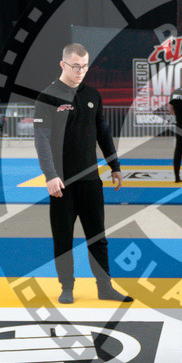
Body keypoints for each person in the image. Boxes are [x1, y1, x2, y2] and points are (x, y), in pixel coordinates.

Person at [33, 43, 132, 304]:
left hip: (90, 181)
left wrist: (115, 166)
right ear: (63, 64)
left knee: (98, 236)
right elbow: (41, 139)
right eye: (75, 66)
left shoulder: (93, 94)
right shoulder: (48, 96)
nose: (80, 71)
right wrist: (50, 175)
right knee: (63, 238)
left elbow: (103, 132)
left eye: (85, 66)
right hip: (61, 183)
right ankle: (67, 287)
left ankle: (104, 286)